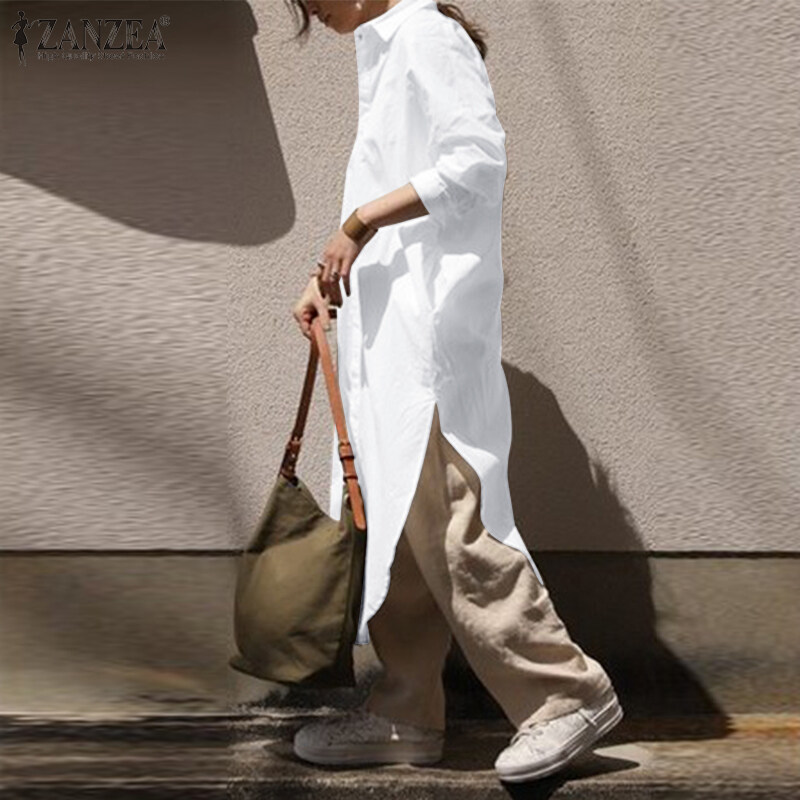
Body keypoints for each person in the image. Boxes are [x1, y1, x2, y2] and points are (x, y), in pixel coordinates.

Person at [288, 0, 623, 783]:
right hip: (388, 334)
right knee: (400, 535)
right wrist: (326, 274)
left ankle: (567, 694)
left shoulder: (426, 37)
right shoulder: (387, 46)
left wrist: (359, 224)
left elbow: (476, 163)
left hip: (426, 338)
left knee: (452, 522)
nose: (307, 9)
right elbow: (396, 181)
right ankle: (407, 713)